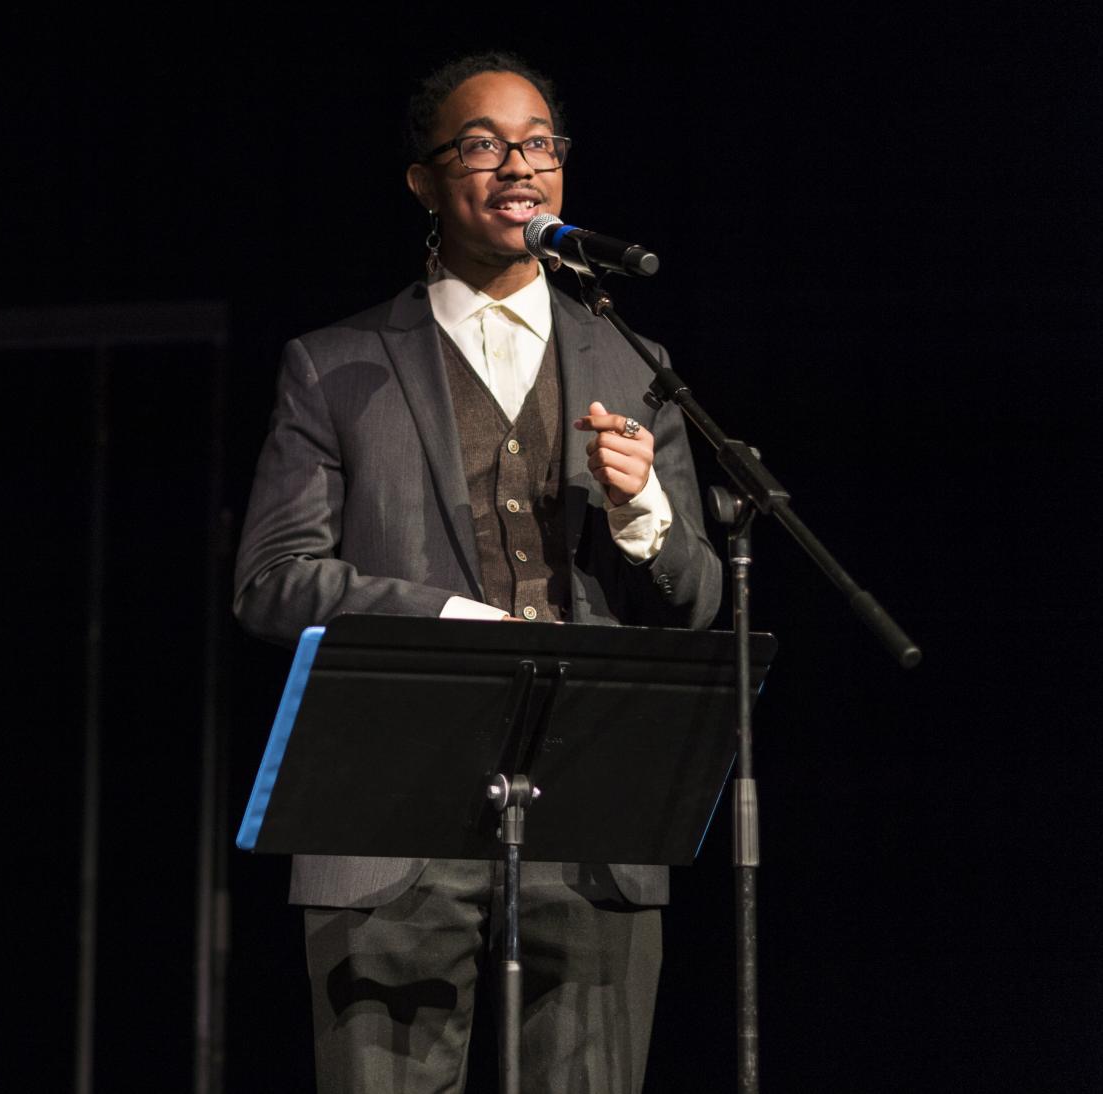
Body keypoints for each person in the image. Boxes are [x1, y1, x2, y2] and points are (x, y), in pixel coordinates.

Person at [233, 51, 721, 1093]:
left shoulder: (633, 363)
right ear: (425, 178)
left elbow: (699, 598)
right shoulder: (336, 364)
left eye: (539, 143)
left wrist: (642, 509)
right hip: (387, 811)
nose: (518, 166)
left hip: (592, 810)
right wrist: (447, 619)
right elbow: (274, 576)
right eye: (483, 144)